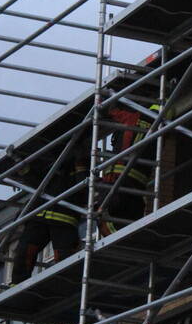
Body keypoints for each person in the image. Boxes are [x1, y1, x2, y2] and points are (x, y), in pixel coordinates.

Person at [11, 149, 83, 284]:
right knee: (24, 253)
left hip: (63, 218)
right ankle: (17, 286)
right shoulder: (47, 160)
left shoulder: (78, 160)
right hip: (39, 215)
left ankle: (67, 286)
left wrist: (80, 160)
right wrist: (22, 169)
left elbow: (83, 188)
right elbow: (36, 181)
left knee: (65, 259)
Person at [97, 104, 154, 236]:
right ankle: (126, 239)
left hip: (117, 182)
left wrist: (107, 107)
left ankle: (117, 240)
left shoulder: (134, 119)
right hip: (136, 187)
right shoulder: (157, 129)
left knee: (103, 215)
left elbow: (116, 113)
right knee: (130, 219)